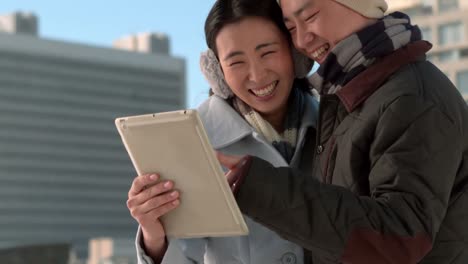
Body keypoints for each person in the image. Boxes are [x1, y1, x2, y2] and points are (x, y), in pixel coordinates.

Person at [218, 0, 468, 263]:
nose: (302, 40)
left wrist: (262, 188)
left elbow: (399, 236)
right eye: (291, 28)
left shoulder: (412, 96)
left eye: (311, 16)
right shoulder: (349, 97)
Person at [126, 0, 318, 263]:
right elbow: (184, 254)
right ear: (217, 72)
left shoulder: (334, 119)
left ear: (295, 52)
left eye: (268, 52)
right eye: (236, 62)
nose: (257, 74)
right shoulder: (195, 139)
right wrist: (154, 238)